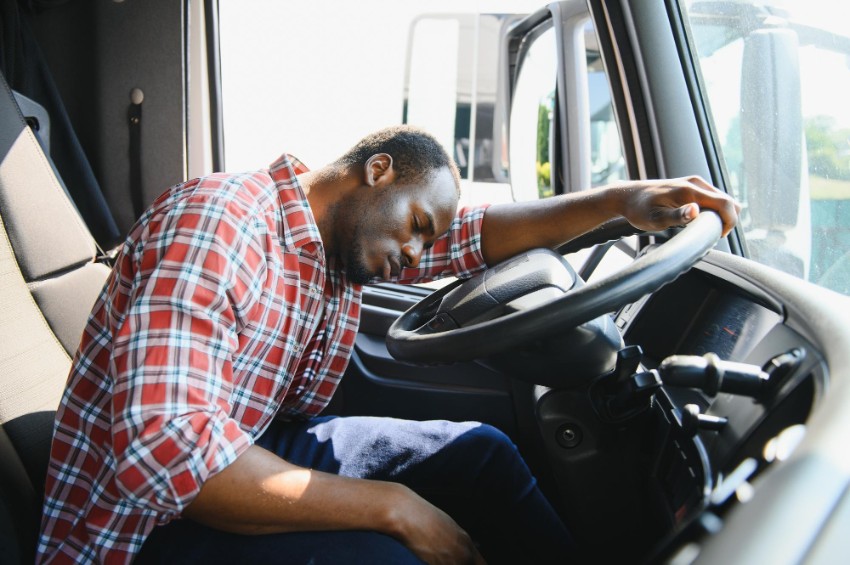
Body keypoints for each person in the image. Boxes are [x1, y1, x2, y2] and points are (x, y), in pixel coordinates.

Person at [36, 125, 740, 565]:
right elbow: (165, 456)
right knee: (388, 555)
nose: (418, 255)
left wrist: (619, 204)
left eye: (427, 241)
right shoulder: (219, 224)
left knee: (483, 455)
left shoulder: (338, 243)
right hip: (138, 530)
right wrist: (392, 506)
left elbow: (479, 235)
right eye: (419, 228)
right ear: (377, 171)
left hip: (247, 442)